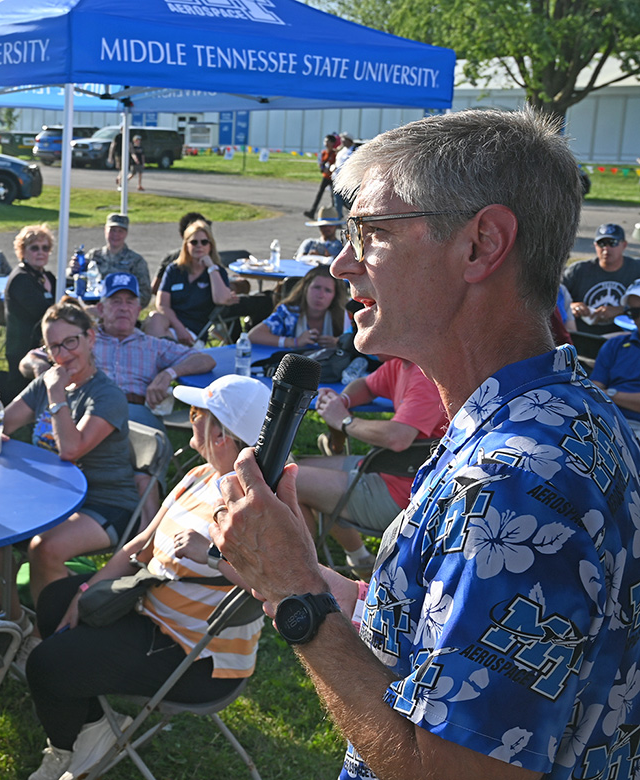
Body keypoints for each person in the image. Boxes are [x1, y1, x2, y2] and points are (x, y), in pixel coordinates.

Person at [211, 109, 640, 780]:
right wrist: (297, 569)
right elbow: (450, 640)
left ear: (480, 245)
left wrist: (297, 599)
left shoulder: (512, 481)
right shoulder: (553, 415)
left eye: (372, 231)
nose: (342, 261)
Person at [23, 375, 270, 780]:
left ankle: (68, 752)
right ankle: (95, 728)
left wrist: (209, 556)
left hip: (197, 659)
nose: (189, 421)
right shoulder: (200, 475)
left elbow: (273, 587)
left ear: (222, 434)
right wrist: (86, 590)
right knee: (55, 603)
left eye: (195, 415)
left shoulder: (253, 505)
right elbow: (140, 545)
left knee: (45, 665)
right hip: (149, 612)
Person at [0, 299, 139, 605]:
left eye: (71, 342)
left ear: (91, 338)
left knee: (45, 549)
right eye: (54, 347)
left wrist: (56, 395)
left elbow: (71, 450)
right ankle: (18, 622)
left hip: (105, 503)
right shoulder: (45, 383)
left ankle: (46, 634)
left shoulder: (106, 395)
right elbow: (4, 423)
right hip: (51, 497)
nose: (63, 355)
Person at [300, 357, 448, 575]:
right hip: (390, 471)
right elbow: (366, 386)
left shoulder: (424, 378)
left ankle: (302, 574)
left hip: (408, 498)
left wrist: (344, 421)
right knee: (298, 470)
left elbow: (398, 438)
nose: (360, 323)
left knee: (291, 480)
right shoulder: (402, 364)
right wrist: (343, 401)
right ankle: (361, 561)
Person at [21, 272, 216, 432]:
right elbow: (31, 359)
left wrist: (169, 374)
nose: (123, 308)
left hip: (135, 413)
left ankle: (145, 478)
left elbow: (205, 360)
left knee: (147, 453)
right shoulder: (84, 340)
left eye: (129, 302)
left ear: (138, 309)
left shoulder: (153, 345)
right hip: (88, 408)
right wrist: (42, 371)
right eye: (115, 301)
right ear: (100, 309)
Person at [154, 220, 238, 346]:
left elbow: (221, 299)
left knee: (157, 342)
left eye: (204, 242)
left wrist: (211, 267)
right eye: (194, 242)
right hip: (171, 326)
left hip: (194, 334)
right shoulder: (174, 270)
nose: (199, 246)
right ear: (186, 245)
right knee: (155, 318)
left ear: (210, 246)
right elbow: (162, 304)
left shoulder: (217, 272)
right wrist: (179, 328)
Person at [4, 224, 57, 399]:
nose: (40, 252)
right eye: (34, 248)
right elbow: (46, 313)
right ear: (23, 251)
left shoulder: (47, 276)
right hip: (24, 350)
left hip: (47, 343)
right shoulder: (20, 278)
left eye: (45, 248)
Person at [561, 223, 640, 336]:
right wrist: (571, 306)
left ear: (624, 245)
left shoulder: (636, 269)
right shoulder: (578, 270)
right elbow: (554, 298)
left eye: (612, 243)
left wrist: (622, 310)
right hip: (583, 337)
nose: (606, 249)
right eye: (601, 243)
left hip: (624, 337)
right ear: (595, 245)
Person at [248, 264, 349, 350]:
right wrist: (294, 342)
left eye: (328, 290)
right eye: (316, 287)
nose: (320, 295)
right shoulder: (288, 312)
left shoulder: (345, 315)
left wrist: (339, 343)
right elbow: (253, 335)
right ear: (305, 288)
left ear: (335, 295)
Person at [590, 280, 640, 437]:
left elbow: (598, 392)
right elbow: (593, 392)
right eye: (634, 313)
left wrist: (610, 394)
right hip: (606, 422)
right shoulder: (615, 345)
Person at [83, 213, 153, 308]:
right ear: (105, 230)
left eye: (120, 231)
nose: (116, 235)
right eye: (112, 230)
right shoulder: (93, 255)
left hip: (121, 313)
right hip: (92, 309)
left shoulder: (136, 261)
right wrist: (74, 269)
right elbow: (74, 280)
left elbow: (145, 295)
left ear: (126, 233)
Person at [303, 133, 338, 220]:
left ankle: (336, 214)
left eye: (327, 141)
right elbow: (321, 164)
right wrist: (323, 169)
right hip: (326, 177)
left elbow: (336, 165)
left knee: (334, 197)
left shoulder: (335, 154)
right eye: (325, 141)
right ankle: (312, 211)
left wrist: (331, 169)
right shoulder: (324, 153)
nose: (325, 143)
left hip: (333, 178)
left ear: (332, 143)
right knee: (319, 194)